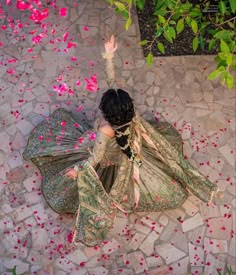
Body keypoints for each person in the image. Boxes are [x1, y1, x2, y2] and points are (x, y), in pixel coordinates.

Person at [23, 36, 221, 247]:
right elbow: (112, 84)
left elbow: (95, 159)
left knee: (84, 166)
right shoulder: (129, 115)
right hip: (127, 153)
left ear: (107, 114)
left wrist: (77, 171)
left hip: (110, 160)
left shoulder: (104, 131)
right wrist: (109, 56)